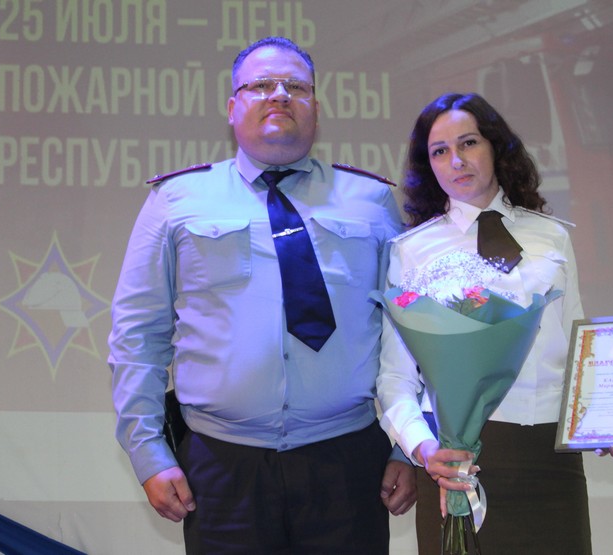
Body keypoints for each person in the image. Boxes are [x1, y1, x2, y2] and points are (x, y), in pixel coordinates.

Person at [108, 36, 415, 554]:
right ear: (232, 107)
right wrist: (148, 453)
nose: (280, 94)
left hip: (347, 462)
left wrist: (409, 448)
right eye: (261, 85)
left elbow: (410, 332)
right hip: (221, 466)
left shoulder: (372, 201)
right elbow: (138, 333)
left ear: (316, 107)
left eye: (296, 86)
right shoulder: (176, 200)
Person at [376, 92, 613, 554]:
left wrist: (607, 421)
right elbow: (395, 379)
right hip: (458, 462)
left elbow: (579, 350)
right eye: (440, 151)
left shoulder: (552, 236)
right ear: (428, 165)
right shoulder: (410, 251)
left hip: (551, 459)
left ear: (495, 146)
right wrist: (424, 450)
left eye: (469, 143)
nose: (457, 160)